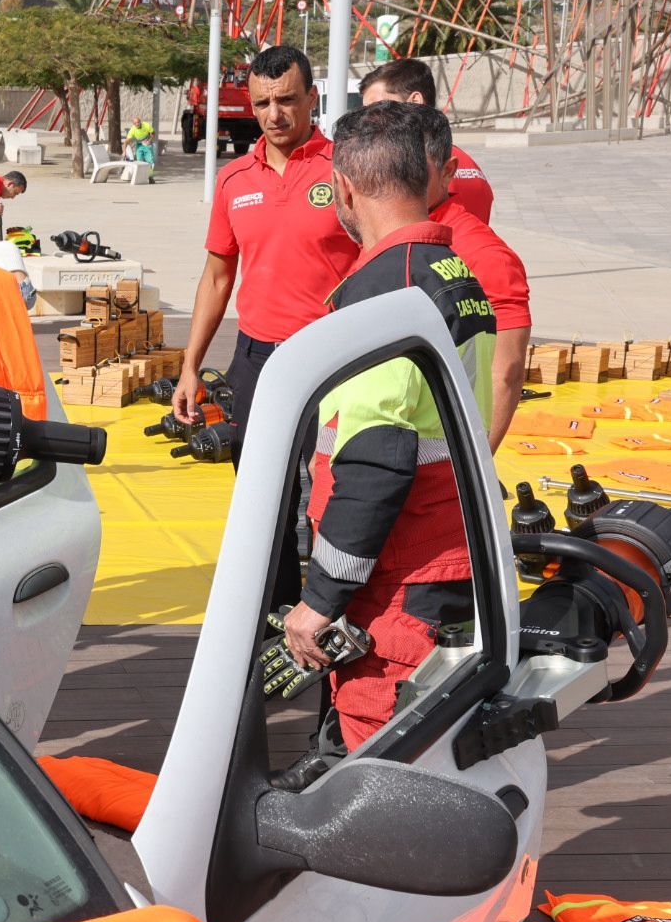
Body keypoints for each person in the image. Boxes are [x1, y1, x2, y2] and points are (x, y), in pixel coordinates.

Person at [276, 101, 496, 785]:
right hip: (449, 560)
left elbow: (378, 462)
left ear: (343, 187)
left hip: (398, 588)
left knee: (381, 781)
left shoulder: (383, 302)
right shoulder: (456, 278)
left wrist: (320, 600)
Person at [171, 45, 360, 611]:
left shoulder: (347, 170)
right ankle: (278, 617)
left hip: (333, 359)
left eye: (286, 100)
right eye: (262, 103)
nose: (274, 114)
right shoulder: (233, 180)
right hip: (257, 360)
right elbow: (216, 275)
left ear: (311, 99)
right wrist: (189, 367)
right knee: (263, 498)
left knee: (337, 495)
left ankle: (335, 614)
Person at [412, 106, 530, 451]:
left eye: (413, 167)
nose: (397, 178)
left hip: (438, 458)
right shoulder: (382, 240)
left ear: (448, 172)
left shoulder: (484, 255)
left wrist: (474, 467)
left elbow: (505, 373)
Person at [359, 57, 494, 223]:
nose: (367, 120)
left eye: (377, 108)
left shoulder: (412, 168)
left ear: (415, 101)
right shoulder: (470, 166)